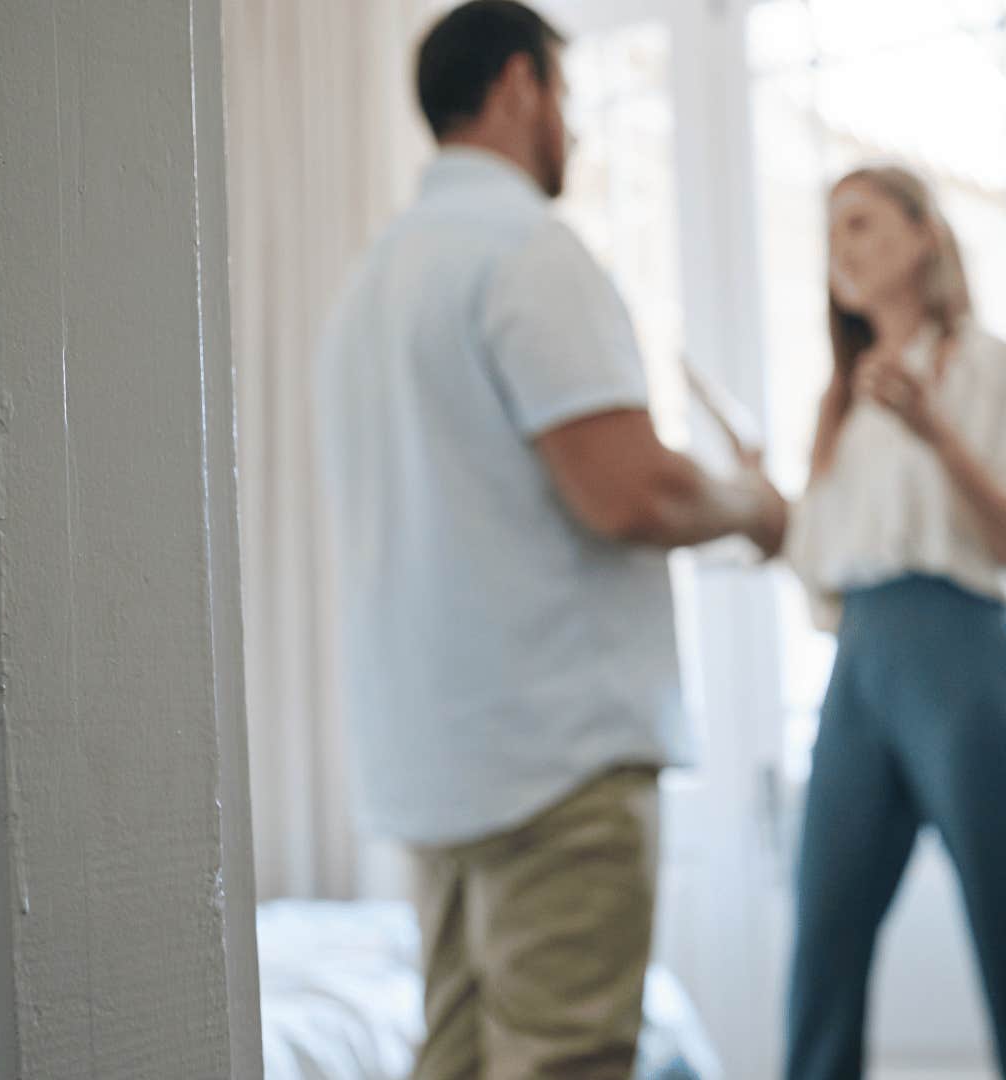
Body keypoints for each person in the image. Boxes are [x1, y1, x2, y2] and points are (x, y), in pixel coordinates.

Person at [312, 3, 786, 1077]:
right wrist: (756, 507)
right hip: (551, 770)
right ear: (521, 86)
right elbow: (629, 494)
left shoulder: (365, 291)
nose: (571, 124)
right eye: (566, 96)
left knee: (458, 1059)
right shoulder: (524, 248)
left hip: (431, 768)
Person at [780, 165, 1006, 1079]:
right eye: (832, 233)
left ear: (922, 235)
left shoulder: (984, 364)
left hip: (960, 653)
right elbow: (816, 564)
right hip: (858, 662)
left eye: (861, 224)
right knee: (823, 931)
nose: (842, 249)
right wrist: (766, 503)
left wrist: (936, 432)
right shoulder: (837, 403)